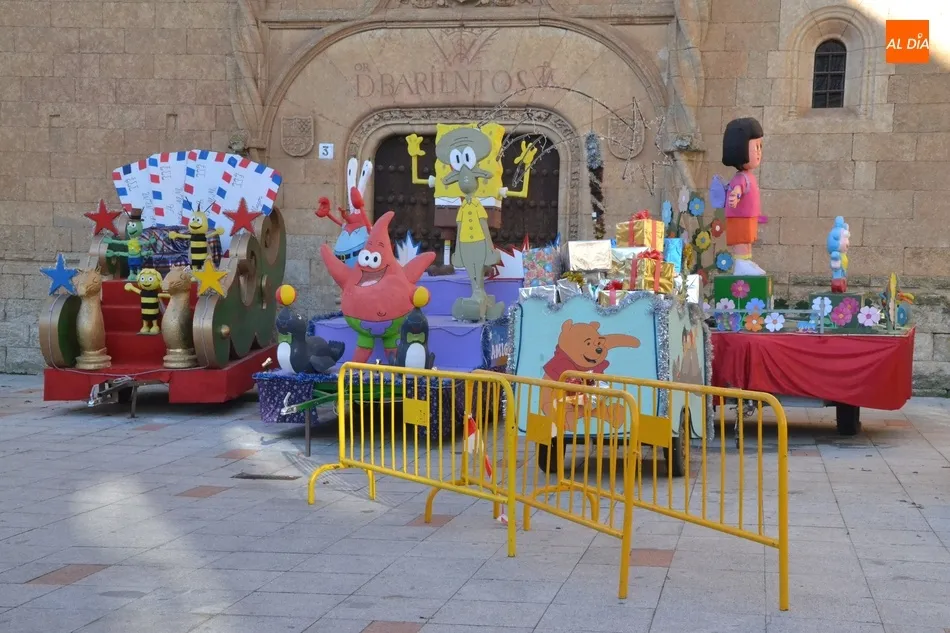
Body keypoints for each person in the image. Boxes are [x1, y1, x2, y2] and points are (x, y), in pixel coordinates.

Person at [722, 117, 767, 276]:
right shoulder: (740, 177)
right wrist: (735, 196)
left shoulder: (748, 176)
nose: (759, 151)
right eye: (755, 147)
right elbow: (737, 189)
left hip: (748, 216)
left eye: (760, 146)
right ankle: (741, 263)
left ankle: (746, 261)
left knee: (748, 239)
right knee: (741, 239)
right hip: (739, 217)